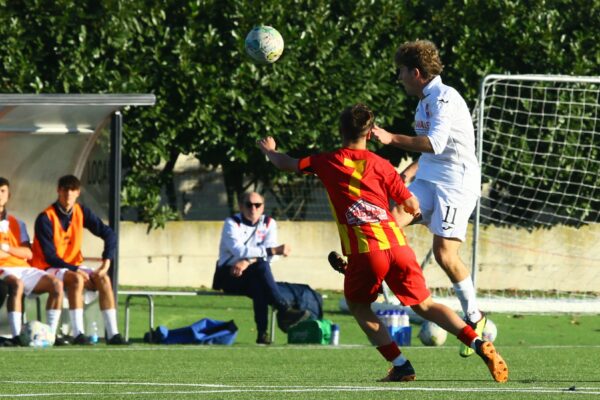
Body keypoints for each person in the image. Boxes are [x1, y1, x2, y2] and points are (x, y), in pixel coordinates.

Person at [257, 103, 508, 382]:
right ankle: (476, 341)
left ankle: (400, 365)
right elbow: (411, 204)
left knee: (359, 306)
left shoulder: (326, 161)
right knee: (425, 305)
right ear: (368, 133)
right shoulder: (382, 165)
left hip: (367, 251)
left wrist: (269, 150)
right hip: (398, 246)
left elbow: (285, 163)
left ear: (341, 131)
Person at [370, 40, 486, 357]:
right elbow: (437, 149)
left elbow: (435, 144)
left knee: (444, 254)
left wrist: (392, 138)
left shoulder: (444, 98)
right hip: (429, 178)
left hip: (455, 183)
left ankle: (475, 317)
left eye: (402, 72)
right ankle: (373, 276)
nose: (399, 78)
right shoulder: (425, 100)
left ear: (416, 72)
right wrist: (409, 172)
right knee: (391, 220)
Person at [30, 175, 127, 345]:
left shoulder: (81, 211)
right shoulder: (45, 217)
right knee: (76, 279)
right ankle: (78, 334)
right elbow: (49, 256)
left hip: (72, 266)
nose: (68, 193)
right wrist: (75, 270)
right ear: (58, 191)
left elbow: (109, 234)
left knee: (103, 279)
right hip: (47, 268)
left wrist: (106, 262)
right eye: (65, 189)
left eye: (72, 190)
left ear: (78, 193)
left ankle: (113, 335)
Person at [213, 191, 310, 344]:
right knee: (261, 269)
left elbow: (272, 257)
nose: (253, 209)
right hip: (229, 274)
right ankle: (284, 310)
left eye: (257, 205)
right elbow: (239, 250)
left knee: (259, 284)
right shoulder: (231, 223)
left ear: (263, 207)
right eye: (249, 205)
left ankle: (262, 334)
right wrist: (270, 251)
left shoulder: (269, 223)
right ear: (240, 206)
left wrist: (247, 261)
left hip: (253, 273)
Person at [0, 177, 64, 346]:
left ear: (9, 195)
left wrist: (6, 249)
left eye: (2, 191)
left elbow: (28, 253)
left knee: (56, 284)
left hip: (22, 268)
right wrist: (12, 254)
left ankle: (50, 335)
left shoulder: (17, 223)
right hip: (3, 269)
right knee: (17, 284)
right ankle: (16, 337)